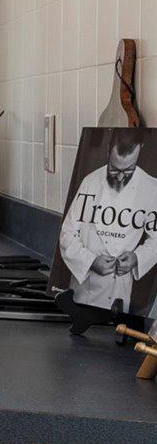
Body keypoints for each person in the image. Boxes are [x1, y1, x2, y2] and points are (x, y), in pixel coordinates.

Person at [58, 129, 157, 317]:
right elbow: (67, 234)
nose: (120, 177)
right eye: (114, 169)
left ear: (141, 150)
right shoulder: (90, 182)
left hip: (119, 292)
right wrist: (91, 261)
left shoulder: (152, 188)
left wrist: (137, 257)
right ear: (108, 149)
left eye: (128, 170)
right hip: (83, 293)